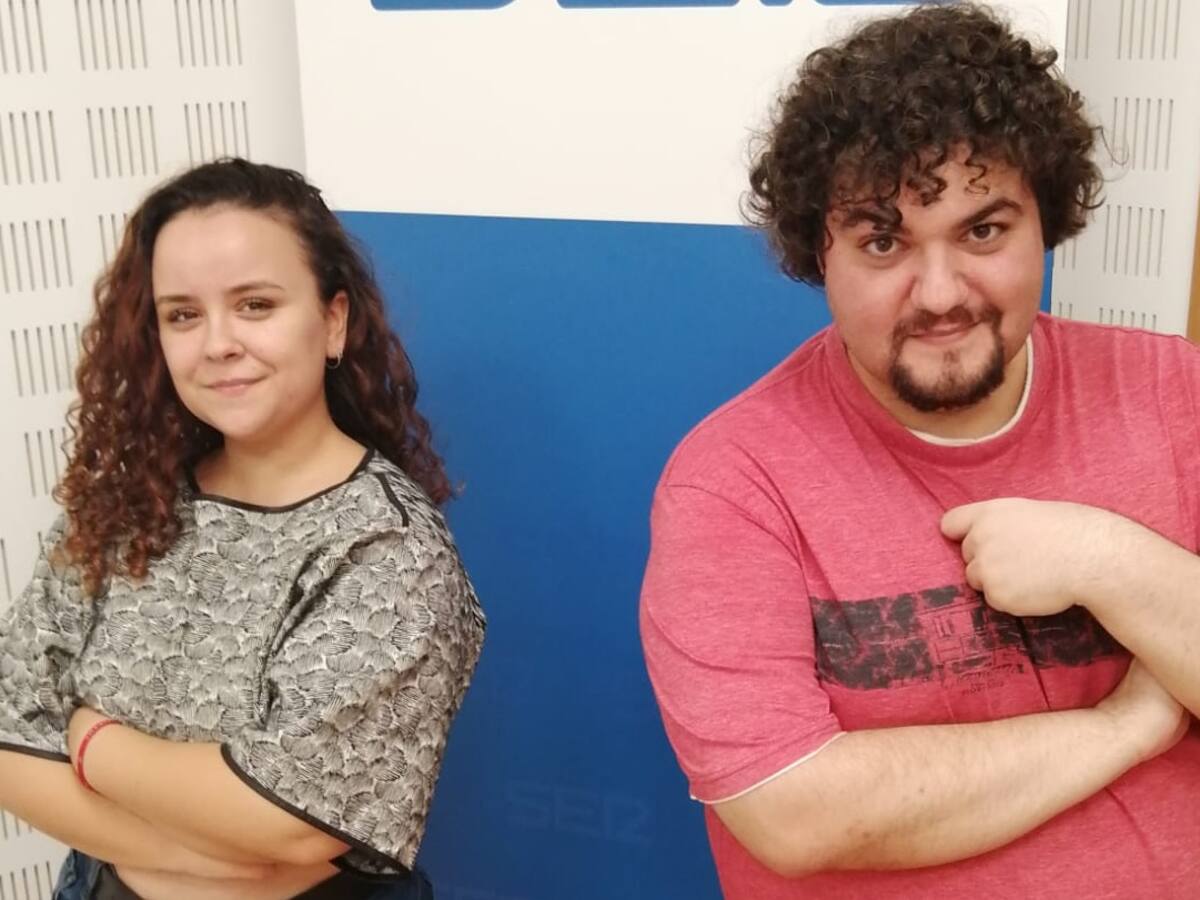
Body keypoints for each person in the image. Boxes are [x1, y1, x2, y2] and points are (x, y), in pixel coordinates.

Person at [639, 4, 1200, 899]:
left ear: (1046, 223)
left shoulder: (1175, 394)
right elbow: (792, 811)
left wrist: (1111, 561)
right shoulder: (734, 482)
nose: (939, 294)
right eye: (883, 241)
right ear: (818, 253)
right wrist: (1123, 728)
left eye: (983, 231)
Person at [0, 158, 486, 899]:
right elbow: (9, 734)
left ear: (333, 321)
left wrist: (92, 741)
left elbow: (294, 821)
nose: (218, 343)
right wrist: (184, 855)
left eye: (255, 305)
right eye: (182, 315)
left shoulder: (384, 545)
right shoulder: (124, 505)